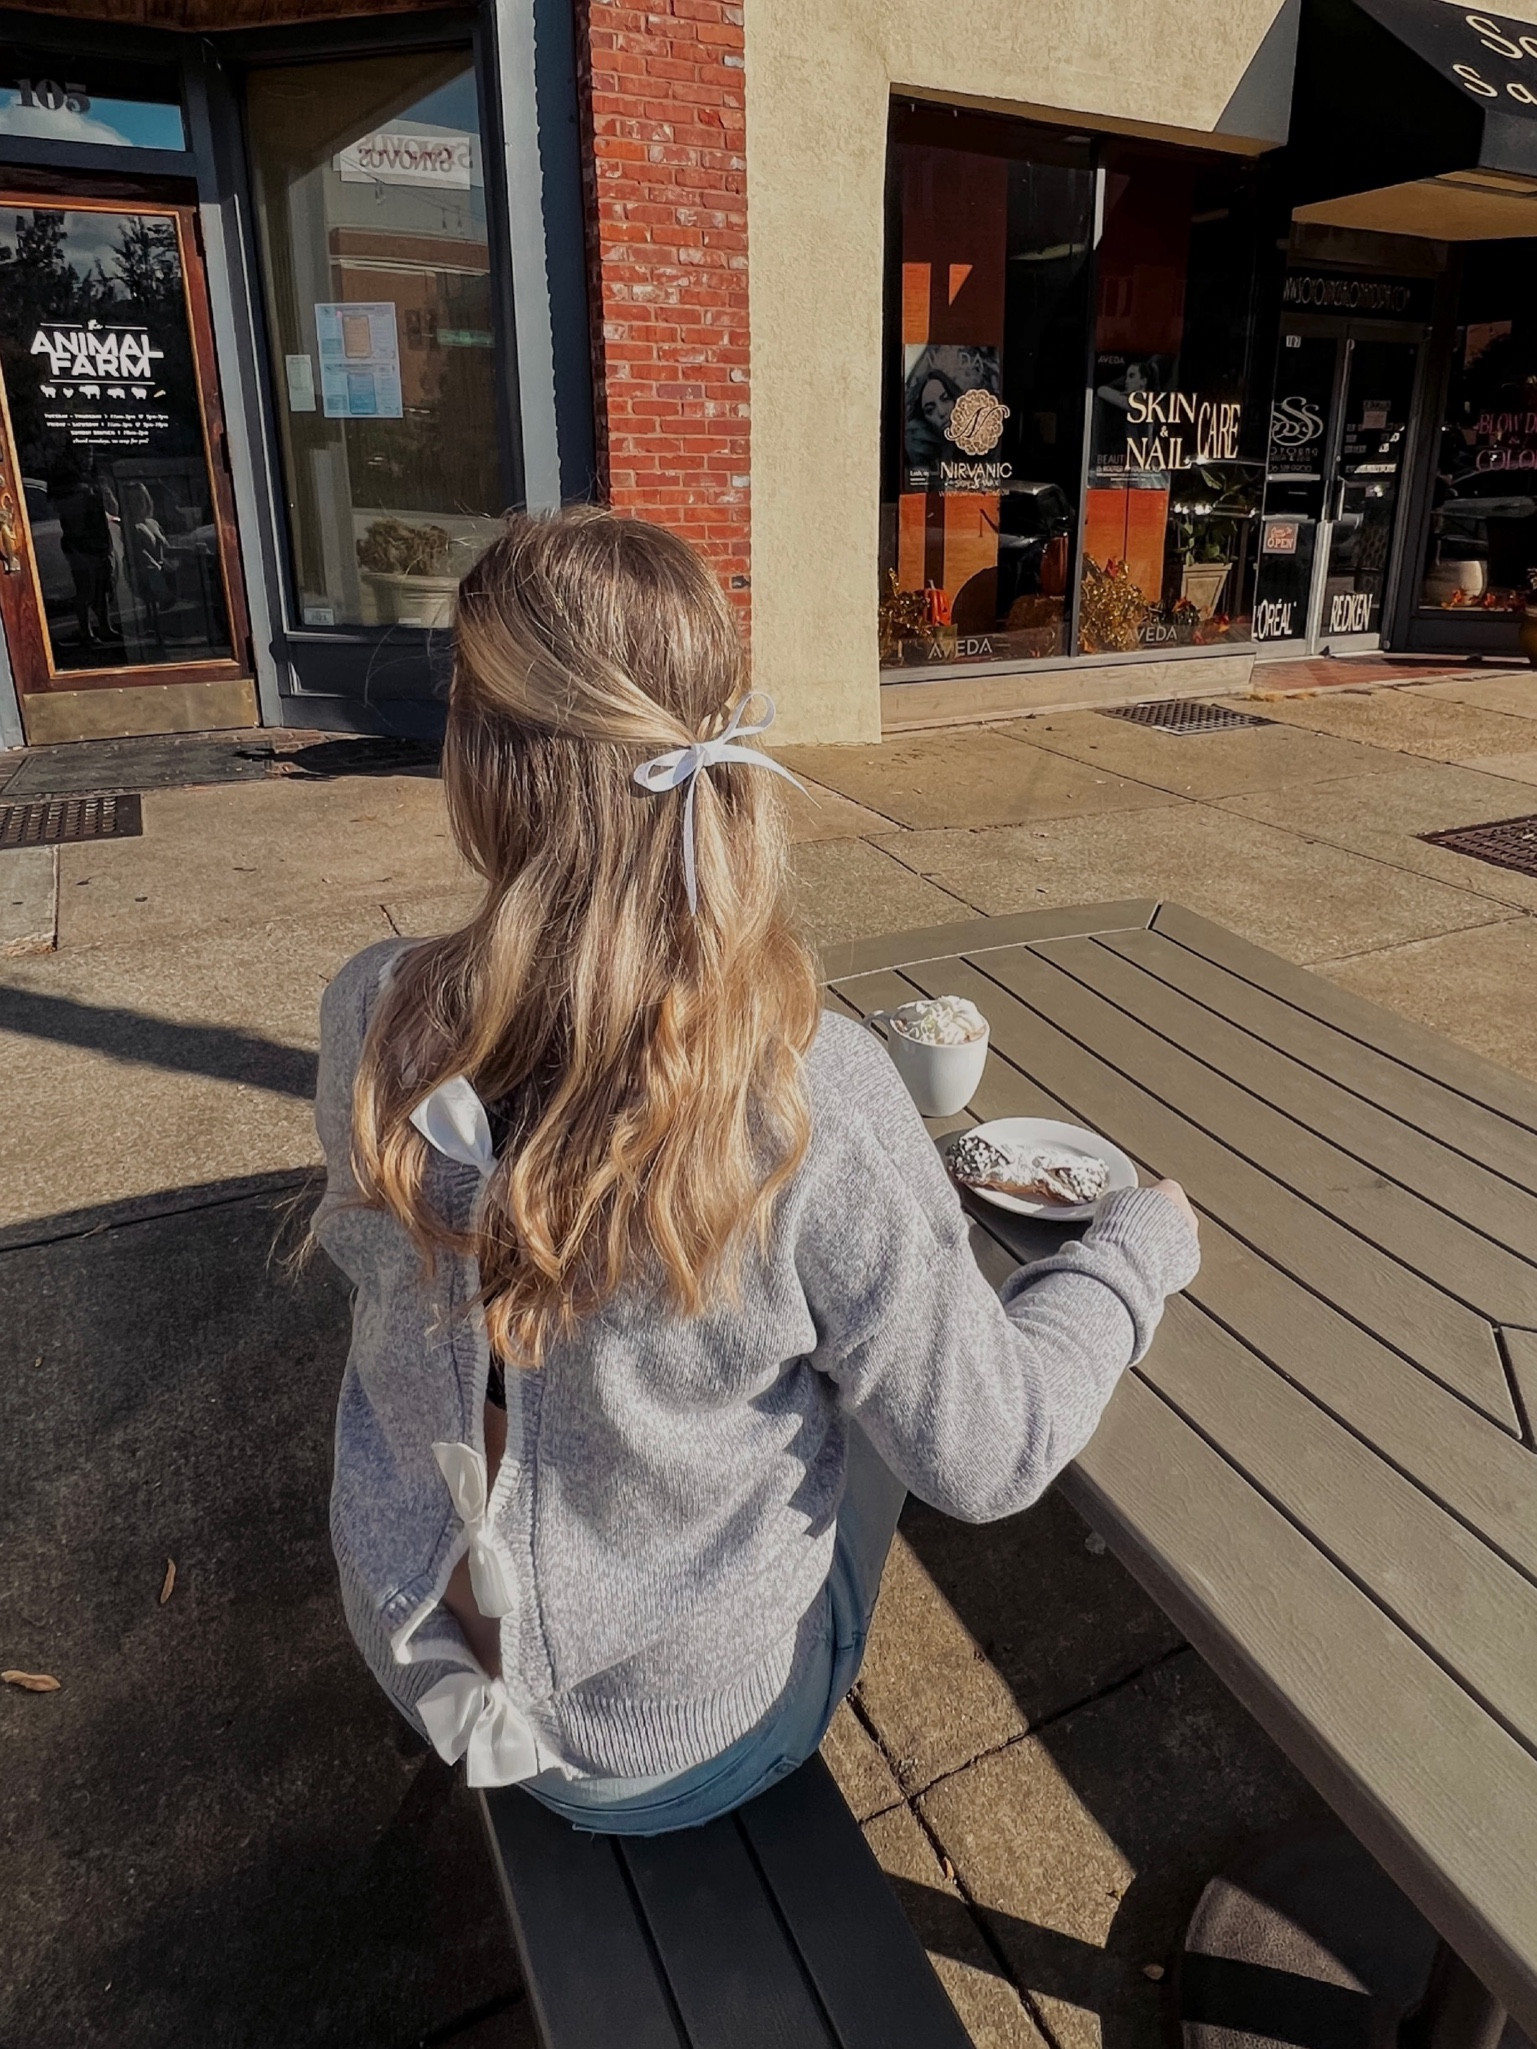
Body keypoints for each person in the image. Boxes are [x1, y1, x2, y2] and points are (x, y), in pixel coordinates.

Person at [312, 508, 1200, 1834]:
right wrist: (1137, 1250)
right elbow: (989, 1454)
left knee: (823, 1320)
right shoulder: (808, 1097)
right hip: (664, 1750)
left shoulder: (373, 1013)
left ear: (473, 757)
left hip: (426, 1650)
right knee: (884, 1378)